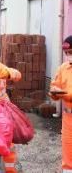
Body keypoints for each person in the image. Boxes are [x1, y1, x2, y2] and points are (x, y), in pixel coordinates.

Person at [49, 35, 72, 172]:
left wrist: (67, 95)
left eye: (71, 53)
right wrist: (54, 93)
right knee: (68, 150)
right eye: (66, 54)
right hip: (68, 119)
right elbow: (55, 85)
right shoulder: (63, 68)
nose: (69, 56)